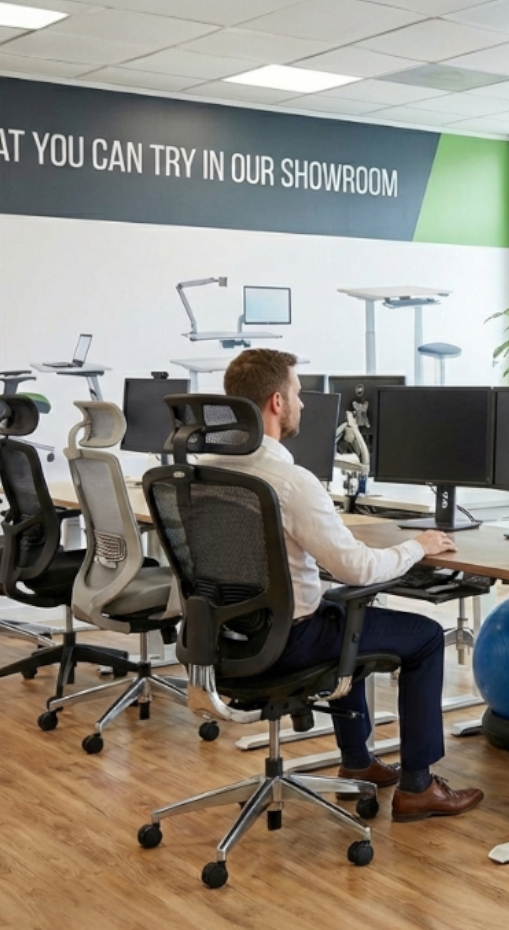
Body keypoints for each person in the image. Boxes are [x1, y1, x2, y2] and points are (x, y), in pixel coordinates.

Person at [207, 348, 483, 822]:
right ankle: (418, 786)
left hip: (227, 637)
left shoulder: (207, 469)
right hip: (289, 640)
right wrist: (418, 546)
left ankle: (358, 761)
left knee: (343, 616)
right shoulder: (290, 481)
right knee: (422, 636)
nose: (303, 404)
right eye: (297, 393)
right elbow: (358, 569)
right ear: (276, 402)